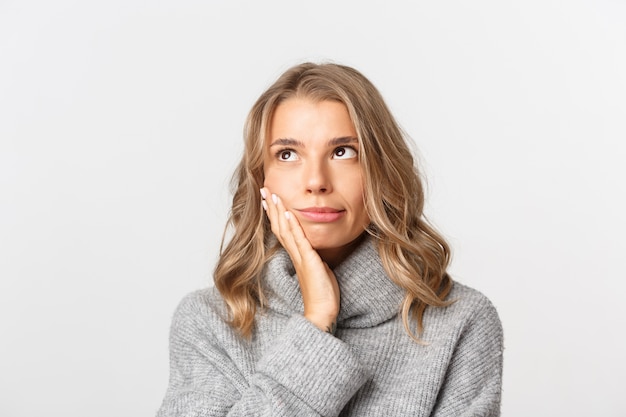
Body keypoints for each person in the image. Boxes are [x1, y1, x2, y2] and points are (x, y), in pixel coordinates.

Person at [156, 62, 503, 417]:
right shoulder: (210, 319)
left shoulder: (461, 321)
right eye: (287, 155)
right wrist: (317, 320)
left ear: (382, 172)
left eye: (343, 152)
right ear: (261, 178)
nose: (316, 181)